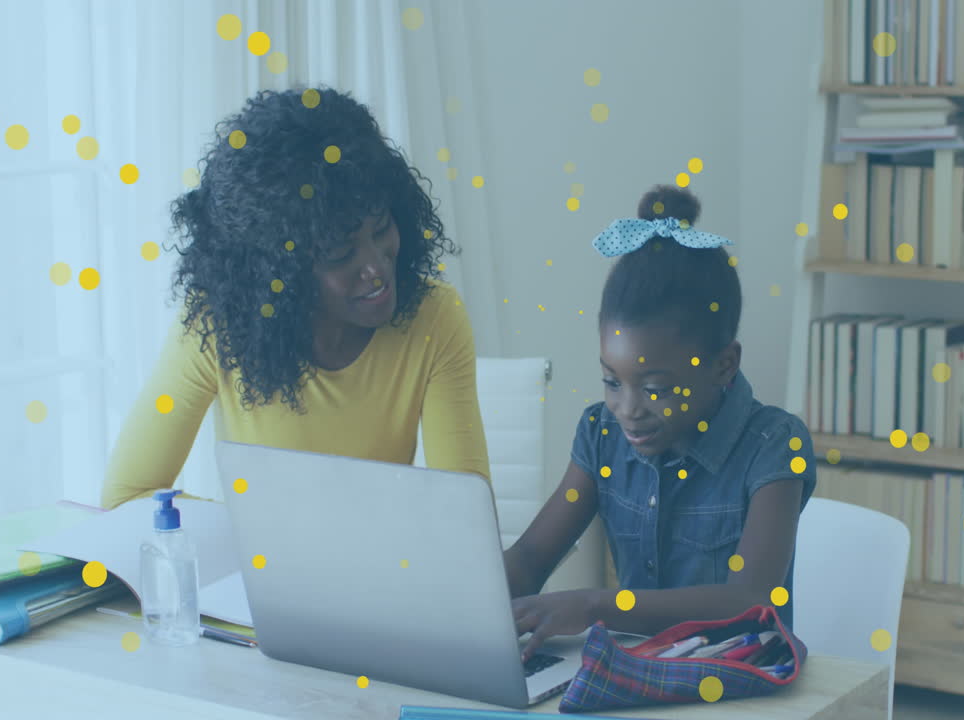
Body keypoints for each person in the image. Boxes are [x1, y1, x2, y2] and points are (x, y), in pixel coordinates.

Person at [100, 87, 488, 509]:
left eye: (381, 231)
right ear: (278, 274)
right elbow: (127, 496)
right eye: (341, 255)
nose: (376, 267)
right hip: (259, 574)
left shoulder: (433, 318)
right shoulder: (217, 325)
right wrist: (262, 538)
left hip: (381, 571)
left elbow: (466, 513)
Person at [504, 185, 815, 659]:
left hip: (740, 685)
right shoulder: (601, 437)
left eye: (657, 389)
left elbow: (750, 600)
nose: (628, 408)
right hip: (638, 678)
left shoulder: (773, 445)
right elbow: (529, 558)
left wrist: (595, 607)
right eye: (612, 381)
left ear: (724, 365)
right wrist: (466, 602)